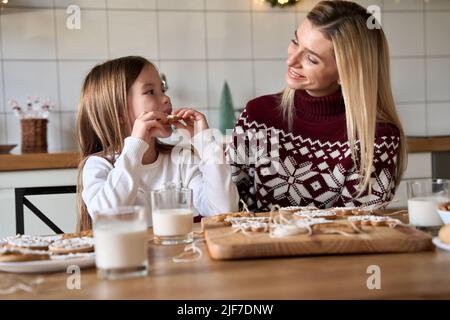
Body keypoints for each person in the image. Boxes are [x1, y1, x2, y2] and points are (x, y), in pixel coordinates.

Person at [227, 0, 407, 212]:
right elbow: (227, 206)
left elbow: (357, 231)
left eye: (311, 59)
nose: (291, 60)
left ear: (345, 73)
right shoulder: (257, 115)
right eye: (295, 41)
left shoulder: (377, 138)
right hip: (252, 245)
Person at [76, 56, 239, 231]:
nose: (166, 98)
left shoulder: (180, 160)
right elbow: (108, 217)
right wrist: (135, 146)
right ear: (119, 112)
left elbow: (223, 211)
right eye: (150, 92)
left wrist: (205, 143)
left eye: (162, 90)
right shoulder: (99, 166)